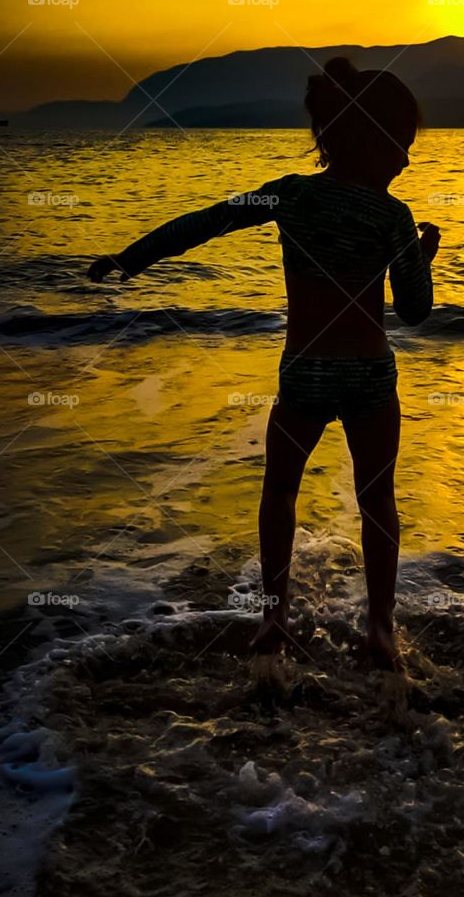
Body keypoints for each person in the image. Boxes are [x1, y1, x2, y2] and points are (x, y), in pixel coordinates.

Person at [88, 57, 440, 667]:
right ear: (369, 141)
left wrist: (131, 258)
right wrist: (423, 254)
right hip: (370, 377)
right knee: (377, 499)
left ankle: (273, 616)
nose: (406, 161)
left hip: (305, 372)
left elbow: (207, 223)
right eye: (400, 147)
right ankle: (380, 628)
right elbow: (413, 311)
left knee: (280, 491)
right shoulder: (394, 218)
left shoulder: (289, 194)